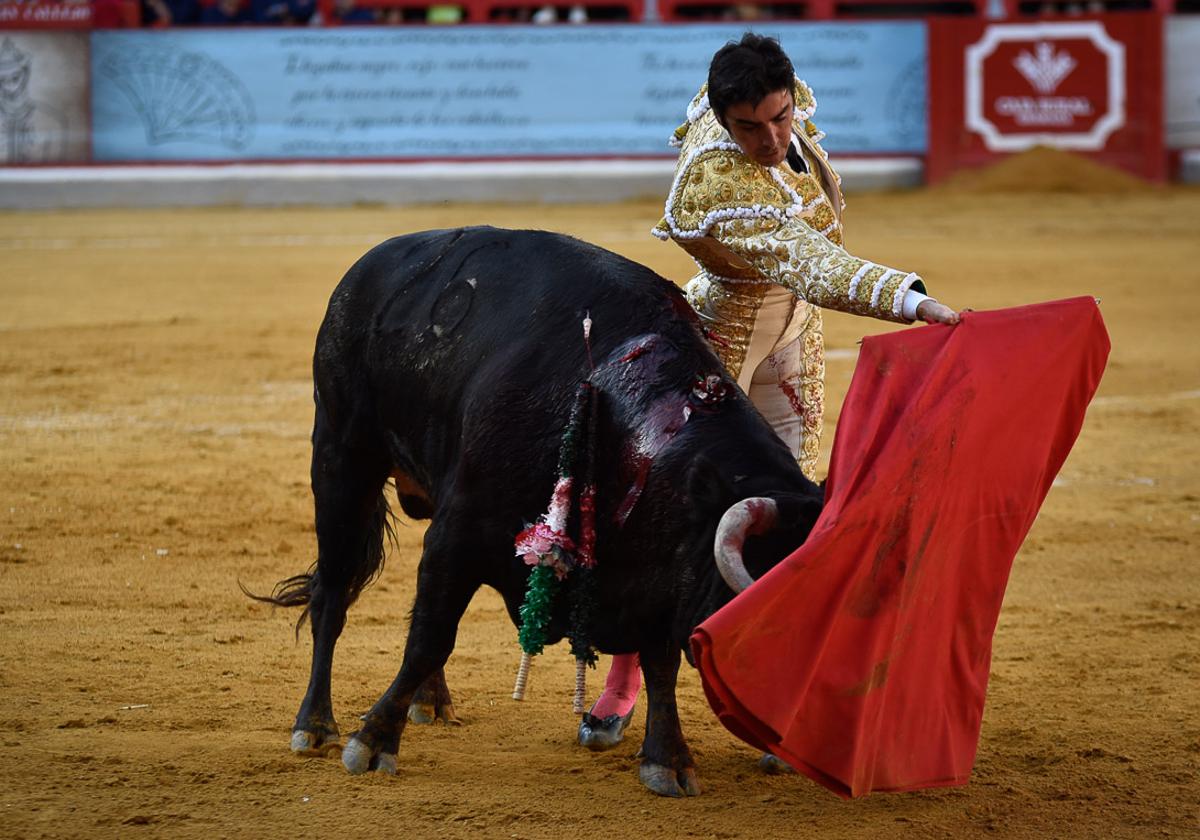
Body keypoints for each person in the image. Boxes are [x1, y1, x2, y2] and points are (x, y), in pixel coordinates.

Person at [577, 33, 962, 757]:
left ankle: (776, 685)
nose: (771, 137)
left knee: (787, 515)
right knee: (669, 512)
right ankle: (627, 675)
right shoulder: (719, 183)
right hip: (719, 338)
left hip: (793, 340)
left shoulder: (781, 94)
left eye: (780, 118)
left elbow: (760, 100)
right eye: (750, 127)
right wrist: (913, 301)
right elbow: (810, 260)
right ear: (722, 120)